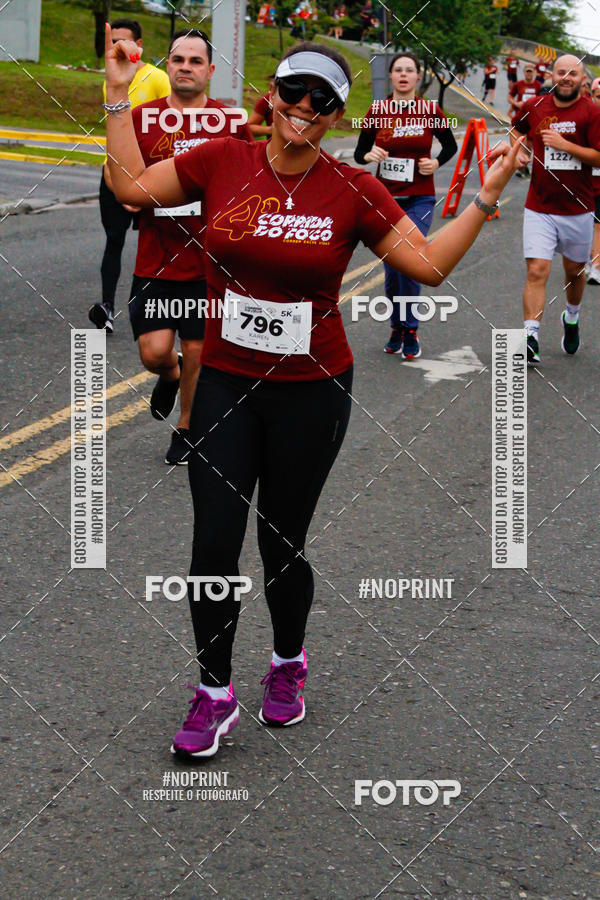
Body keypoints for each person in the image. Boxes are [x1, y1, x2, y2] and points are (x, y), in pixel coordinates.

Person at [105, 31, 522, 759]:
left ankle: (289, 662)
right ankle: (213, 693)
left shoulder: (351, 187)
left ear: (335, 113)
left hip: (311, 389)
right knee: (211, 544)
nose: (303, 107)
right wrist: (116, 98)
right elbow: (133, 188)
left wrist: (483, 200)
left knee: (282, 542)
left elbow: (425, 266)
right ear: (273, 92)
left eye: (322, 99)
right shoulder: (222, 159)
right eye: (294, 91)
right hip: (229, 382)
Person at [128, 29, 252, 465]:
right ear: (168, 66)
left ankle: (187, 428)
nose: (185, 67)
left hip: (210, 264)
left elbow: (254, 178)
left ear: (210, 71)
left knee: (201, 349)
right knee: (154, 353)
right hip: (156, 259)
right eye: (178, 59)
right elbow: (122, 175)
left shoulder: (232, 123)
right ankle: (170, 373)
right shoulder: (141, 119)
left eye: (195, 61)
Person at [353, 52, 457, 358]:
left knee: (410, 259)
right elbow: (360, 152)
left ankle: (410, 329)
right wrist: (368, 156)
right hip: (385, 199)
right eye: (397, 70)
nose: (403, 75)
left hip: (419, 198)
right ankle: (396, 326)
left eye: (408, 70)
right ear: (392, 77)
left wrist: (436, 162)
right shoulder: (378, 110)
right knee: (392, 266)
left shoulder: (429, 110)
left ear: (416, 77)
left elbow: (450, 144)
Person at [510, 55, 600, 364]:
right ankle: (530, 336)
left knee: (574, 274)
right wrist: (519, 151)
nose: (566, 77)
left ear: (582, 80)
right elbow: (516, 130)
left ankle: (571, 317)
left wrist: (566, 145)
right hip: (539, 206)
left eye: (572, 73)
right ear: (552, 75)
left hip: (578, 208)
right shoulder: (535, 106)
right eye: (560, 72)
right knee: (537, 269)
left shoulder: (592, 112)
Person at [89, 18, 170, 334]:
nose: (118, 47)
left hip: (153, 176)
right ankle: (107, 307)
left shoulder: (159, 78)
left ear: (139, 46)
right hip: (115, 174)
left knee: (160, 242)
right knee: (114, 240)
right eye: (113, 42)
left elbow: (171, 130)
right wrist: (112, 175)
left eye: (125, 41)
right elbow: (113, 136)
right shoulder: (109, 80)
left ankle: (157, 309)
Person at [586, 77, 600, 284]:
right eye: (599, 96)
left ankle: (595, 267)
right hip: (584, 183)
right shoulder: (584, 120)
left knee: (597, 224)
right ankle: (591, 260)